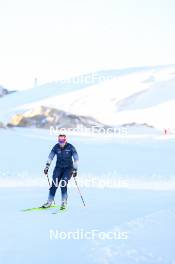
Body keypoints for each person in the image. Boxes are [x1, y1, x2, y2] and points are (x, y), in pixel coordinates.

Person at [42, 134, 79, 210]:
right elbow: (50, 157)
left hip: (68, 169)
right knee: (54, 184)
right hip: (58, 168)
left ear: (65, 140)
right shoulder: (56, 147)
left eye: (62, 140)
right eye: (59, 140)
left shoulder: (70, 147)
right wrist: (47, 167)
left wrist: (75, 169)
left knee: (63, 183)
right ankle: (49, 202)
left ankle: (64, 202)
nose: (61, 142)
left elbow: (76, 158)